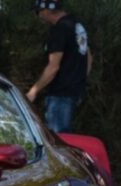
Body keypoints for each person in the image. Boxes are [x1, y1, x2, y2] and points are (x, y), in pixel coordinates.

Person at [26, 0, 93, 133]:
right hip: (75, 92)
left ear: (46, 10)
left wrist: (33, 91)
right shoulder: (76, 25)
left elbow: (53, 67)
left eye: (38, 11)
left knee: (58, 142)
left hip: (60, 95)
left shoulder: (59, 29)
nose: (38, 15)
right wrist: (79, 79)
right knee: (64, 138)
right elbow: (89, 56)